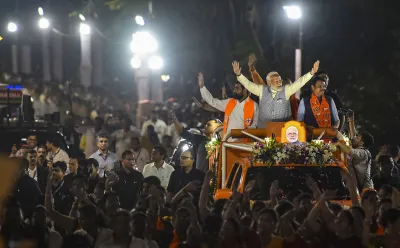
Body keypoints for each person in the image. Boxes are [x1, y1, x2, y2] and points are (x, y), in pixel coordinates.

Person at [232, 60, 320, 128]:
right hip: (264, 131)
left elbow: (299, 82)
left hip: (283, 130)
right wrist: (239, 75)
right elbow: (248, 84)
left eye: (280, 80)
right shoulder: (261, 90)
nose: (279, 83)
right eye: (276, 81)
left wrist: (311, 73)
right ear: (269, 83)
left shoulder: (286, 90)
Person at [198, 72, 258, 139]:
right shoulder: (230, 102)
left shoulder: (254, 106)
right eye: (234, 88)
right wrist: (202, 86)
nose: (234, 91)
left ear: (245, 90)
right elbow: (212, 102)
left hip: (243, 146)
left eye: (237, 88)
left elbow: (255, 127)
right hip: (226, 144)